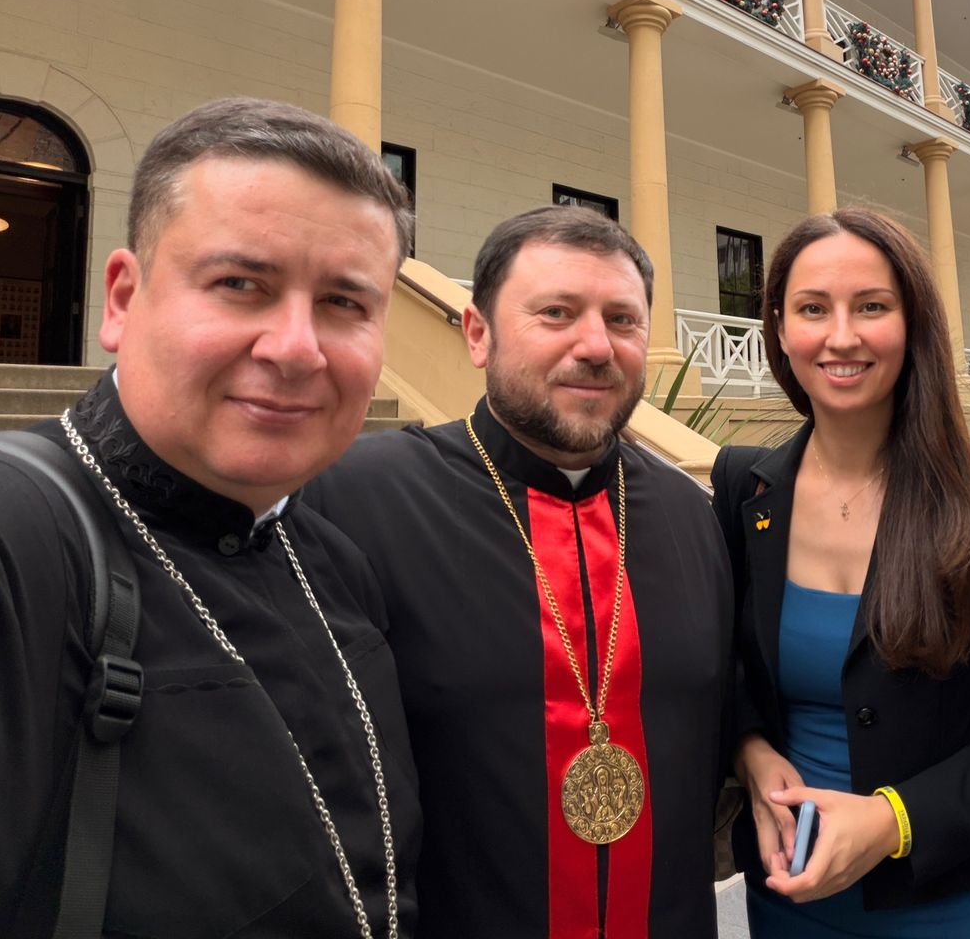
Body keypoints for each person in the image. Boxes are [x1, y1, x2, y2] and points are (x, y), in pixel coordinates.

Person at [0, 99, 423, 937]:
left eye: (344, 303)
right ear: (123, 298)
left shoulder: (338, 563)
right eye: (240, 284)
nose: (295, 347)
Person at [301, 205, 733, 938]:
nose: (595, 346)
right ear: (478, 333)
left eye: (622, 320)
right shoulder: (354, 499)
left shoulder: (691, 515)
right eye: (556, 313)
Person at [712, 208, 970, 937]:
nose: (842, 336)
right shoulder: (743, 487)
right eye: (812, 309)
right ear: (780, 330)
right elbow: (723, 669)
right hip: (788, 904)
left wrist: (894, 821)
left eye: (872, 307)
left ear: (912, 324)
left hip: (950, 909)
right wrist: (751, 751)